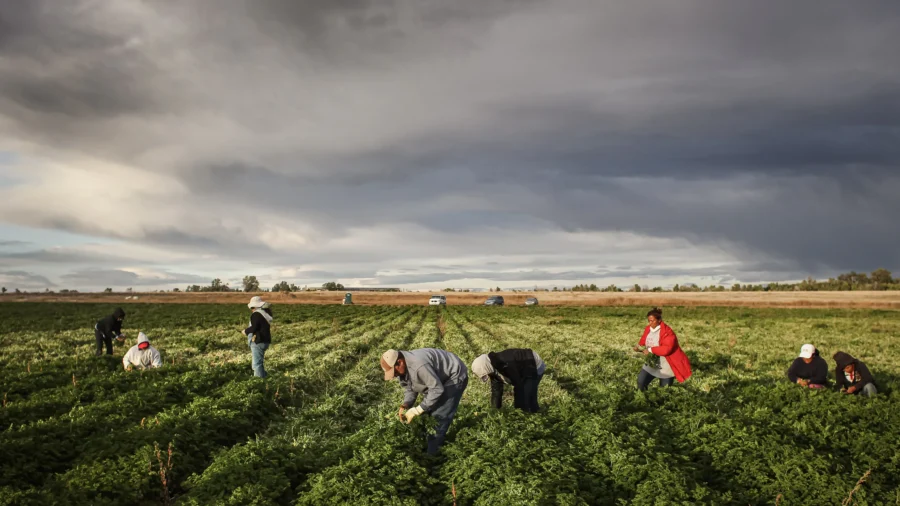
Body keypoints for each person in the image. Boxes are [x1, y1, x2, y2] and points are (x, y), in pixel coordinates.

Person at [381, 348, 468, 455]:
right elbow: (410, 388)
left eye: (394, 372)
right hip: (437, 379)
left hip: (454, 375)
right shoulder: (403, 368)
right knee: (426, 414)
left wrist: (418, 409)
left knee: (438, 417)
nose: (394, 375)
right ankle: (423, 445)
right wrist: (406, 405)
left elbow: (436, 389)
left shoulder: (418, 365)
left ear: (399, 362)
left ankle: (432, 456)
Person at [633, 307, 692, 390]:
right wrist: (638, 346)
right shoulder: (648, 329)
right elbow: (644, 339)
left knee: (664, 391)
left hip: (666, 366)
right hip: (651, 363)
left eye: (652, 321)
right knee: (641, 382)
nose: (650, 323)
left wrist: (650, 350)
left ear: (659, 320)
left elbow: (666, 349)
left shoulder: (667, 332)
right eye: (649, 321)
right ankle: (645, 401)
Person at [471, 349, 545, 413]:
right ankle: (530, 412)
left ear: (487, 367)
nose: (488, 375)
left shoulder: (506, 363)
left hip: (533, 363)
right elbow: (496, 391)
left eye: (486, 373)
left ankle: (532, 414)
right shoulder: (493, 368)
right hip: (521, 367)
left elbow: (519, 386)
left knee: (527, 394)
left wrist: (518, 410)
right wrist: (495, 410)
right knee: (525, 397)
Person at [242, 296, 273, 378]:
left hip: (258, 340)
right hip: (265, 340)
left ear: (253, 306)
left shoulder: (256, 314)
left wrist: (245, 331)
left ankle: (258, 382)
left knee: (256, 364)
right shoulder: (264, 314)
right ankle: (264, 378)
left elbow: (254, 327)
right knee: (259, 362)